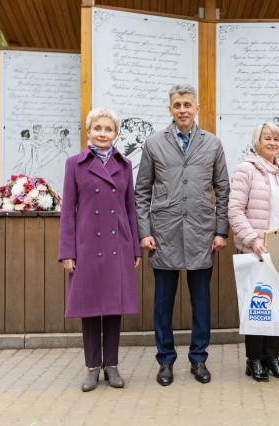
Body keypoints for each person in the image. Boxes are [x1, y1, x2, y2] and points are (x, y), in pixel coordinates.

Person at [135, 83, 230, 386]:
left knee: (201, 301)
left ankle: (198, 359)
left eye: (188, 105)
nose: (183, 110)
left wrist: (220, 231)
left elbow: (223, 189)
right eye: (177, 105)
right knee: (163, 303)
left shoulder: (212, 143)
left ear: (197, 108)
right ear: (170, 109)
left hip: (202, 232)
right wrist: (145, 231)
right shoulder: (153, 143)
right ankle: (165, 361)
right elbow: (142, 192)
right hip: (164, 233)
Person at [59, 107, 142, 392]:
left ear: (116, 133)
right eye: (98, 128)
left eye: (108, 129)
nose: (103, 133)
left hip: (118, 244)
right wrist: (67, 252)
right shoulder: (74, 164)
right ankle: (92, 368)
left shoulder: (125, 164)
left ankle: (113, 366)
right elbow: (68, 210)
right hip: (86, 246)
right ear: (88, 131)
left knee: (114, 307)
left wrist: (135, 249)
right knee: (91, 308)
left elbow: (131, 208)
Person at [228, 122, 279, 382]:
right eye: (267, 138)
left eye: (276, 139)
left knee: (276, 305)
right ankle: (254, 360)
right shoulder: (245, 170)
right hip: (256, 251)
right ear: (257, 142)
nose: (272, 143)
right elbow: (235, 211)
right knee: (257, 306)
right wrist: (252, 239)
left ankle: (272, 358)